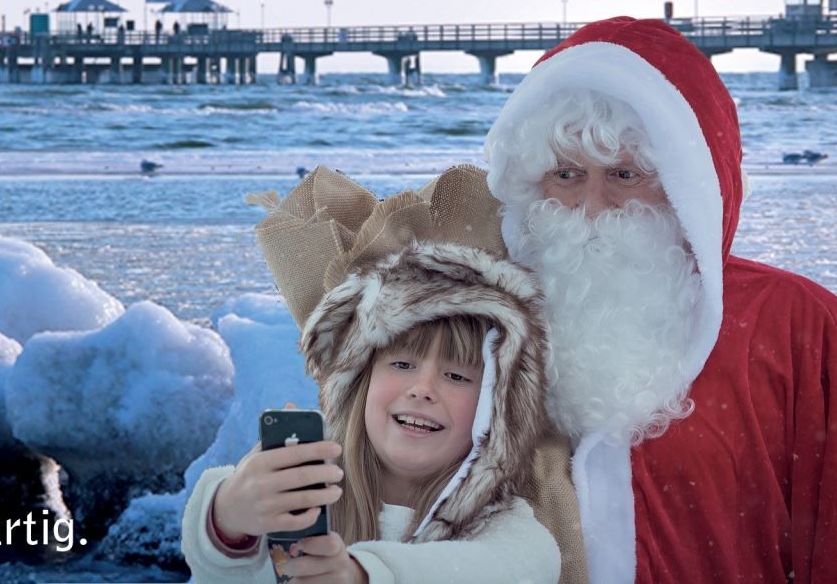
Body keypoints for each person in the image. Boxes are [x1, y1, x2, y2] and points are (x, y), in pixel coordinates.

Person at [482, 16, 837, 583]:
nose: (593, 207)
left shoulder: (805, 332)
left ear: (685, 185)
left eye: (625, 174)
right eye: (567, 175)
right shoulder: (474, 325)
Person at [182, 166, 583, 584]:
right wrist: (227, 516)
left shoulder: (515, 536)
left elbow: (486, 571)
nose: (422, 389)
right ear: (358, 381)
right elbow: (225, 571)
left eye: (458, 377)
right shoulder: (303, 499)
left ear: (496, 410)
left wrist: (360, 574)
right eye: (402, 364)